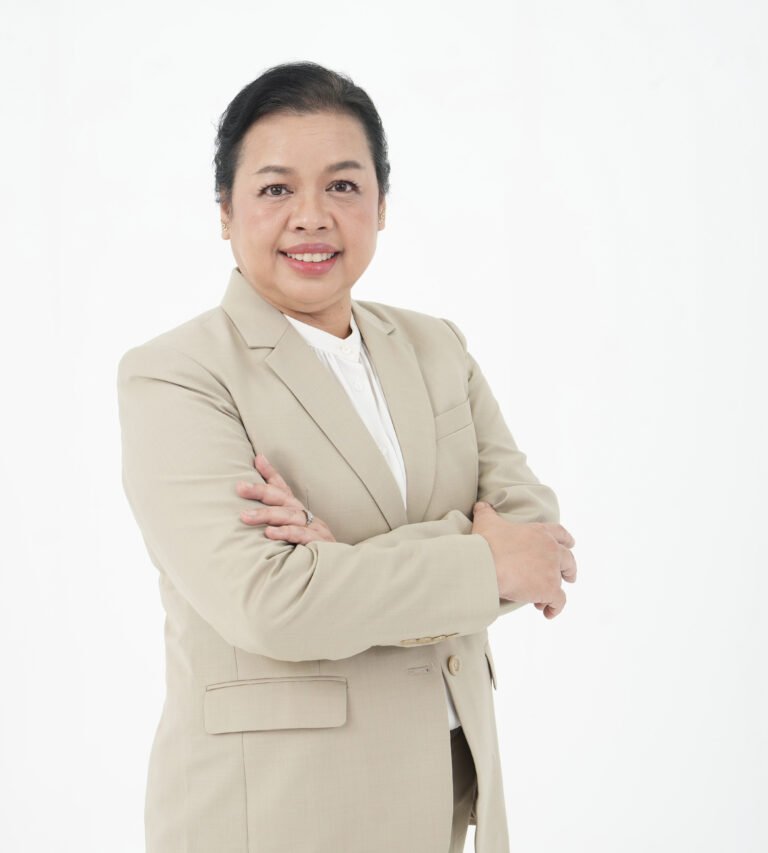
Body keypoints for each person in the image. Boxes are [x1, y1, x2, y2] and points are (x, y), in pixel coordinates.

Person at [116, 61, 577, 853]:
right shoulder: (177, 375)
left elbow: (535, 538)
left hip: (445, 805)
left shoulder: (437, 346)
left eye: (342, 185)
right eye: (275, 189)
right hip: (278, 816)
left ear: (381, 205)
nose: (312, 216)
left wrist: (345, 566)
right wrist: (480, 557)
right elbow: (273, 603)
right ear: (224, 210)